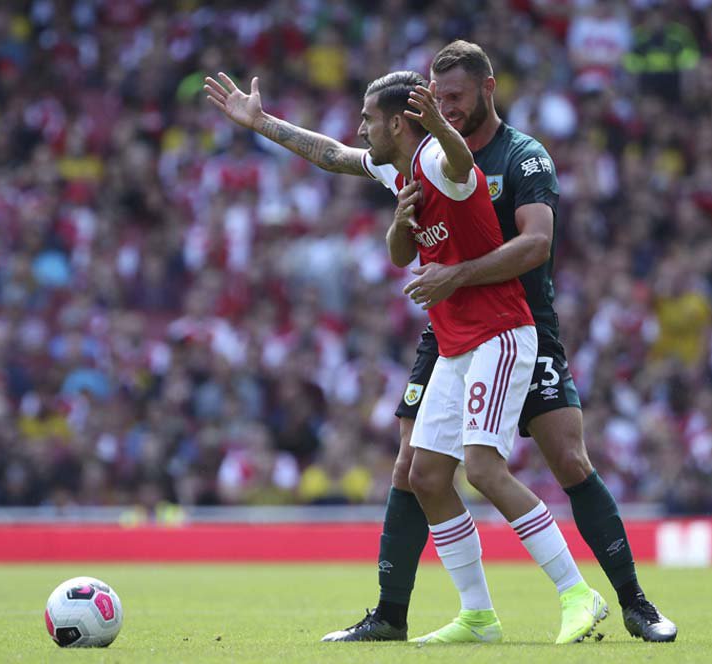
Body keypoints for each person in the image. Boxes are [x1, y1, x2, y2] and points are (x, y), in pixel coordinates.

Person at [203, 40, 677, 643]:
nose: (447, 108)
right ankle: (406, 615)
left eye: (454, 97)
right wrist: (261, 123)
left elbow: (535, 245)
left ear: (488, 88)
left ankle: (629, 601)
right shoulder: (406, 157)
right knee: (416, 469)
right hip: (452, 329)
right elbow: (338, 158)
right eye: (437, 97)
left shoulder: (511, 158)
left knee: (564, 460)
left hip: (518, 323)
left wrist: (456, 271)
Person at [362, 69, 608, 644]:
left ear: (398, 122)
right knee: (425, 475)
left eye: (368, 119)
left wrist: (439, 124)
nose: (360, 128)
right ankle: (477, 616)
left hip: (500, 333)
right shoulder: (404, 173)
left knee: (483, 470)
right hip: (456, 344)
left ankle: (578, 593)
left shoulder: (442, 160)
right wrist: (262, 122)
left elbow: (457, 160)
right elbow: (400, 253)